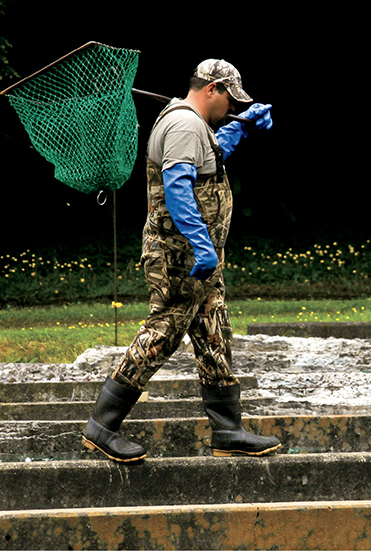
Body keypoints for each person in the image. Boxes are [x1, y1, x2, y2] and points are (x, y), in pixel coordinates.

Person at [81, 59, 280, 463]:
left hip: (198, 259)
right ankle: (102, 425)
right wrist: (202, 244)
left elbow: (208, 161)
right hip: (180, 257)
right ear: (213, 90)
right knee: (163, 332)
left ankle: (227, 430)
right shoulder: (185, 124)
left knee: (213, 330)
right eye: (231, 100)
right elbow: (177, 187)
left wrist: (238, 128)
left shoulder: (194, 124)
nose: (232, 106)